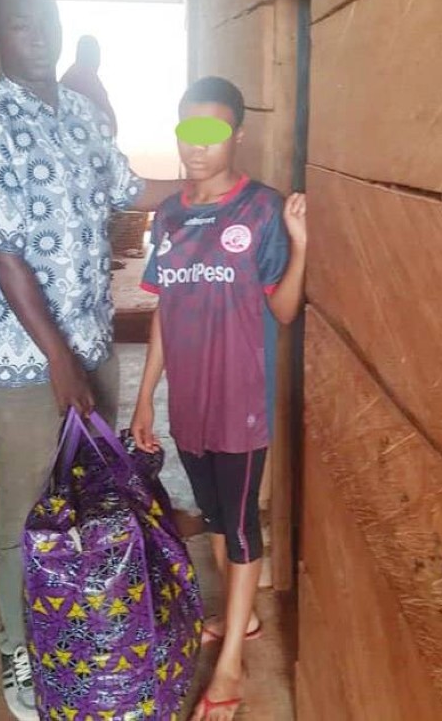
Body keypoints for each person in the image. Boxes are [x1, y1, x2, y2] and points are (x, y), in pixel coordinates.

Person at [0, 0, 181, 721]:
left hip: (89, 337)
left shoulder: (82, 116)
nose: (39, 37)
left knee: (88, 491)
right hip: (25, 357)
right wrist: (58, 362)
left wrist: (211, 194)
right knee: (26, 503)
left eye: (45, 22)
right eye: (21, 27)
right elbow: (3, 252)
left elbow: (127, 189)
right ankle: (21, 647)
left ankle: (77, 621)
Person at [130, 76, 307, 721]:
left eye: (211, 132)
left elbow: (283, 311)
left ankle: (230, 661)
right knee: (209, 510)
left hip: (241, 400)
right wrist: (146, 396)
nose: (196, 145)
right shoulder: (171, 214)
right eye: (186, 130)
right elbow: (162, 311)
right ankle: (244, 619)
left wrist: (302, 243)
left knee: (237, 527)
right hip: (190, 403)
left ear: (237, 133)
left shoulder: (261, 209)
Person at [60, 35, 118, 135]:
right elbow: (105, 108)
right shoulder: (84, 76)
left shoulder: (73, 74)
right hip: (83, 136)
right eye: (96, 53)